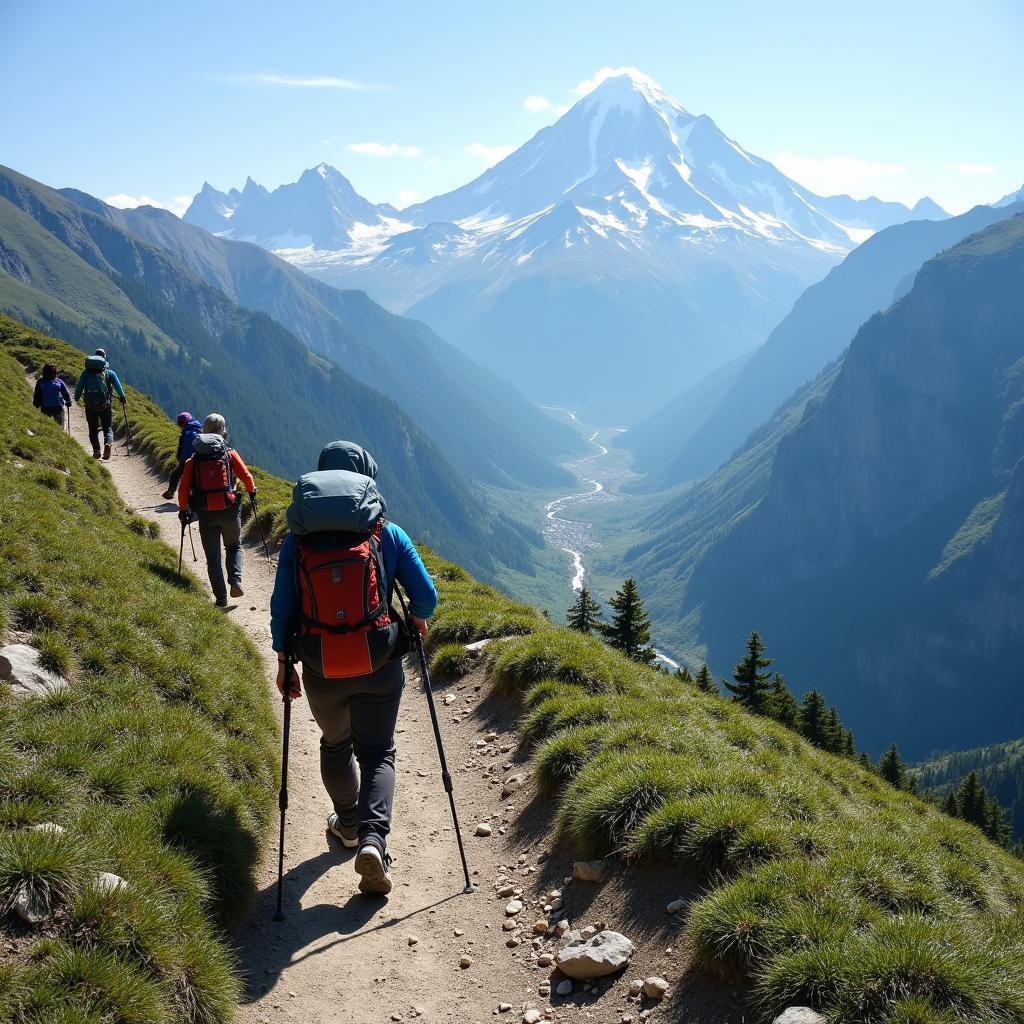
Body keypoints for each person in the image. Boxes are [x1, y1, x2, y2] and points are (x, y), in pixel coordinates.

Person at [269, 440, 437, 896]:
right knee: (378, 751)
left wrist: (285, 665)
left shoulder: (296, 541)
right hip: (378, 662)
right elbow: (427, 597)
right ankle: (373, 842)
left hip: (320, 665)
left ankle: (346, 824)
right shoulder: (387, 533)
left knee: (335, 743)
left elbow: (282, 611)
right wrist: (417, 621)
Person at [177, 413, 256, 607]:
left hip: (206, 512)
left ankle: (221, 599)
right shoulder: (229, 454)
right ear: (223, 432)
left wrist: (184, 509)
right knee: (234, 546)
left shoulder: (193, 460)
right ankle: (235, 581)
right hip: (229, 509)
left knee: (213, 558)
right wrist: (252, 494)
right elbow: (247, 477)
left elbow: (184, 489)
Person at [74, 348, 126, 460]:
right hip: (105, 405)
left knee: (92, 429)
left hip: (90, 406)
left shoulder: (85, 373)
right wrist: (122, 397)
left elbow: (79, 387)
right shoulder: (109, 373)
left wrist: (76, 397)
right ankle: (107, 444)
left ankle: (96, 450)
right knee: (107, 428)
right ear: (104, 358)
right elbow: (118, 386)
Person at [162, 412, 203, 500]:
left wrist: (179, 458)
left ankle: (171, 491)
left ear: (186, 422)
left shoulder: (186, 432)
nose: (181, 426)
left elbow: (182, 448)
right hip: (201, 458)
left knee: (176, 473)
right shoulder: (201, 428)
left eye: (182, 423)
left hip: (187, 458)